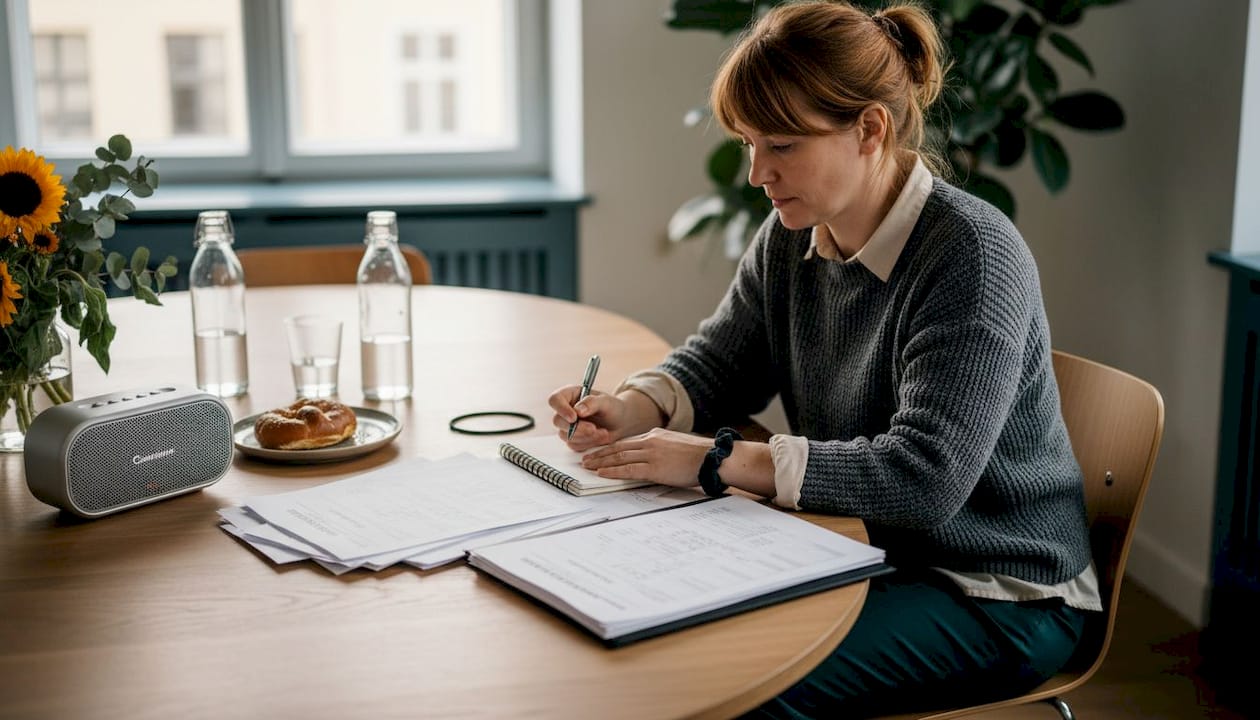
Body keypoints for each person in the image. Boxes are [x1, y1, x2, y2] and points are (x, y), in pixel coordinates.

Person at [548, 1, 1100, 717]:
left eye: (779, 145)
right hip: (861, 549)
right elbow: (721, 361)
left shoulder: (972, 256)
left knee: (740, 681)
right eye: (749, 144)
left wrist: (712, 459)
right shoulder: (793, 236)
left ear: (869, 129)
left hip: (997, 588)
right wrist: (632, 408)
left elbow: (925, 479)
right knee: (658, 633)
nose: (756, 174)